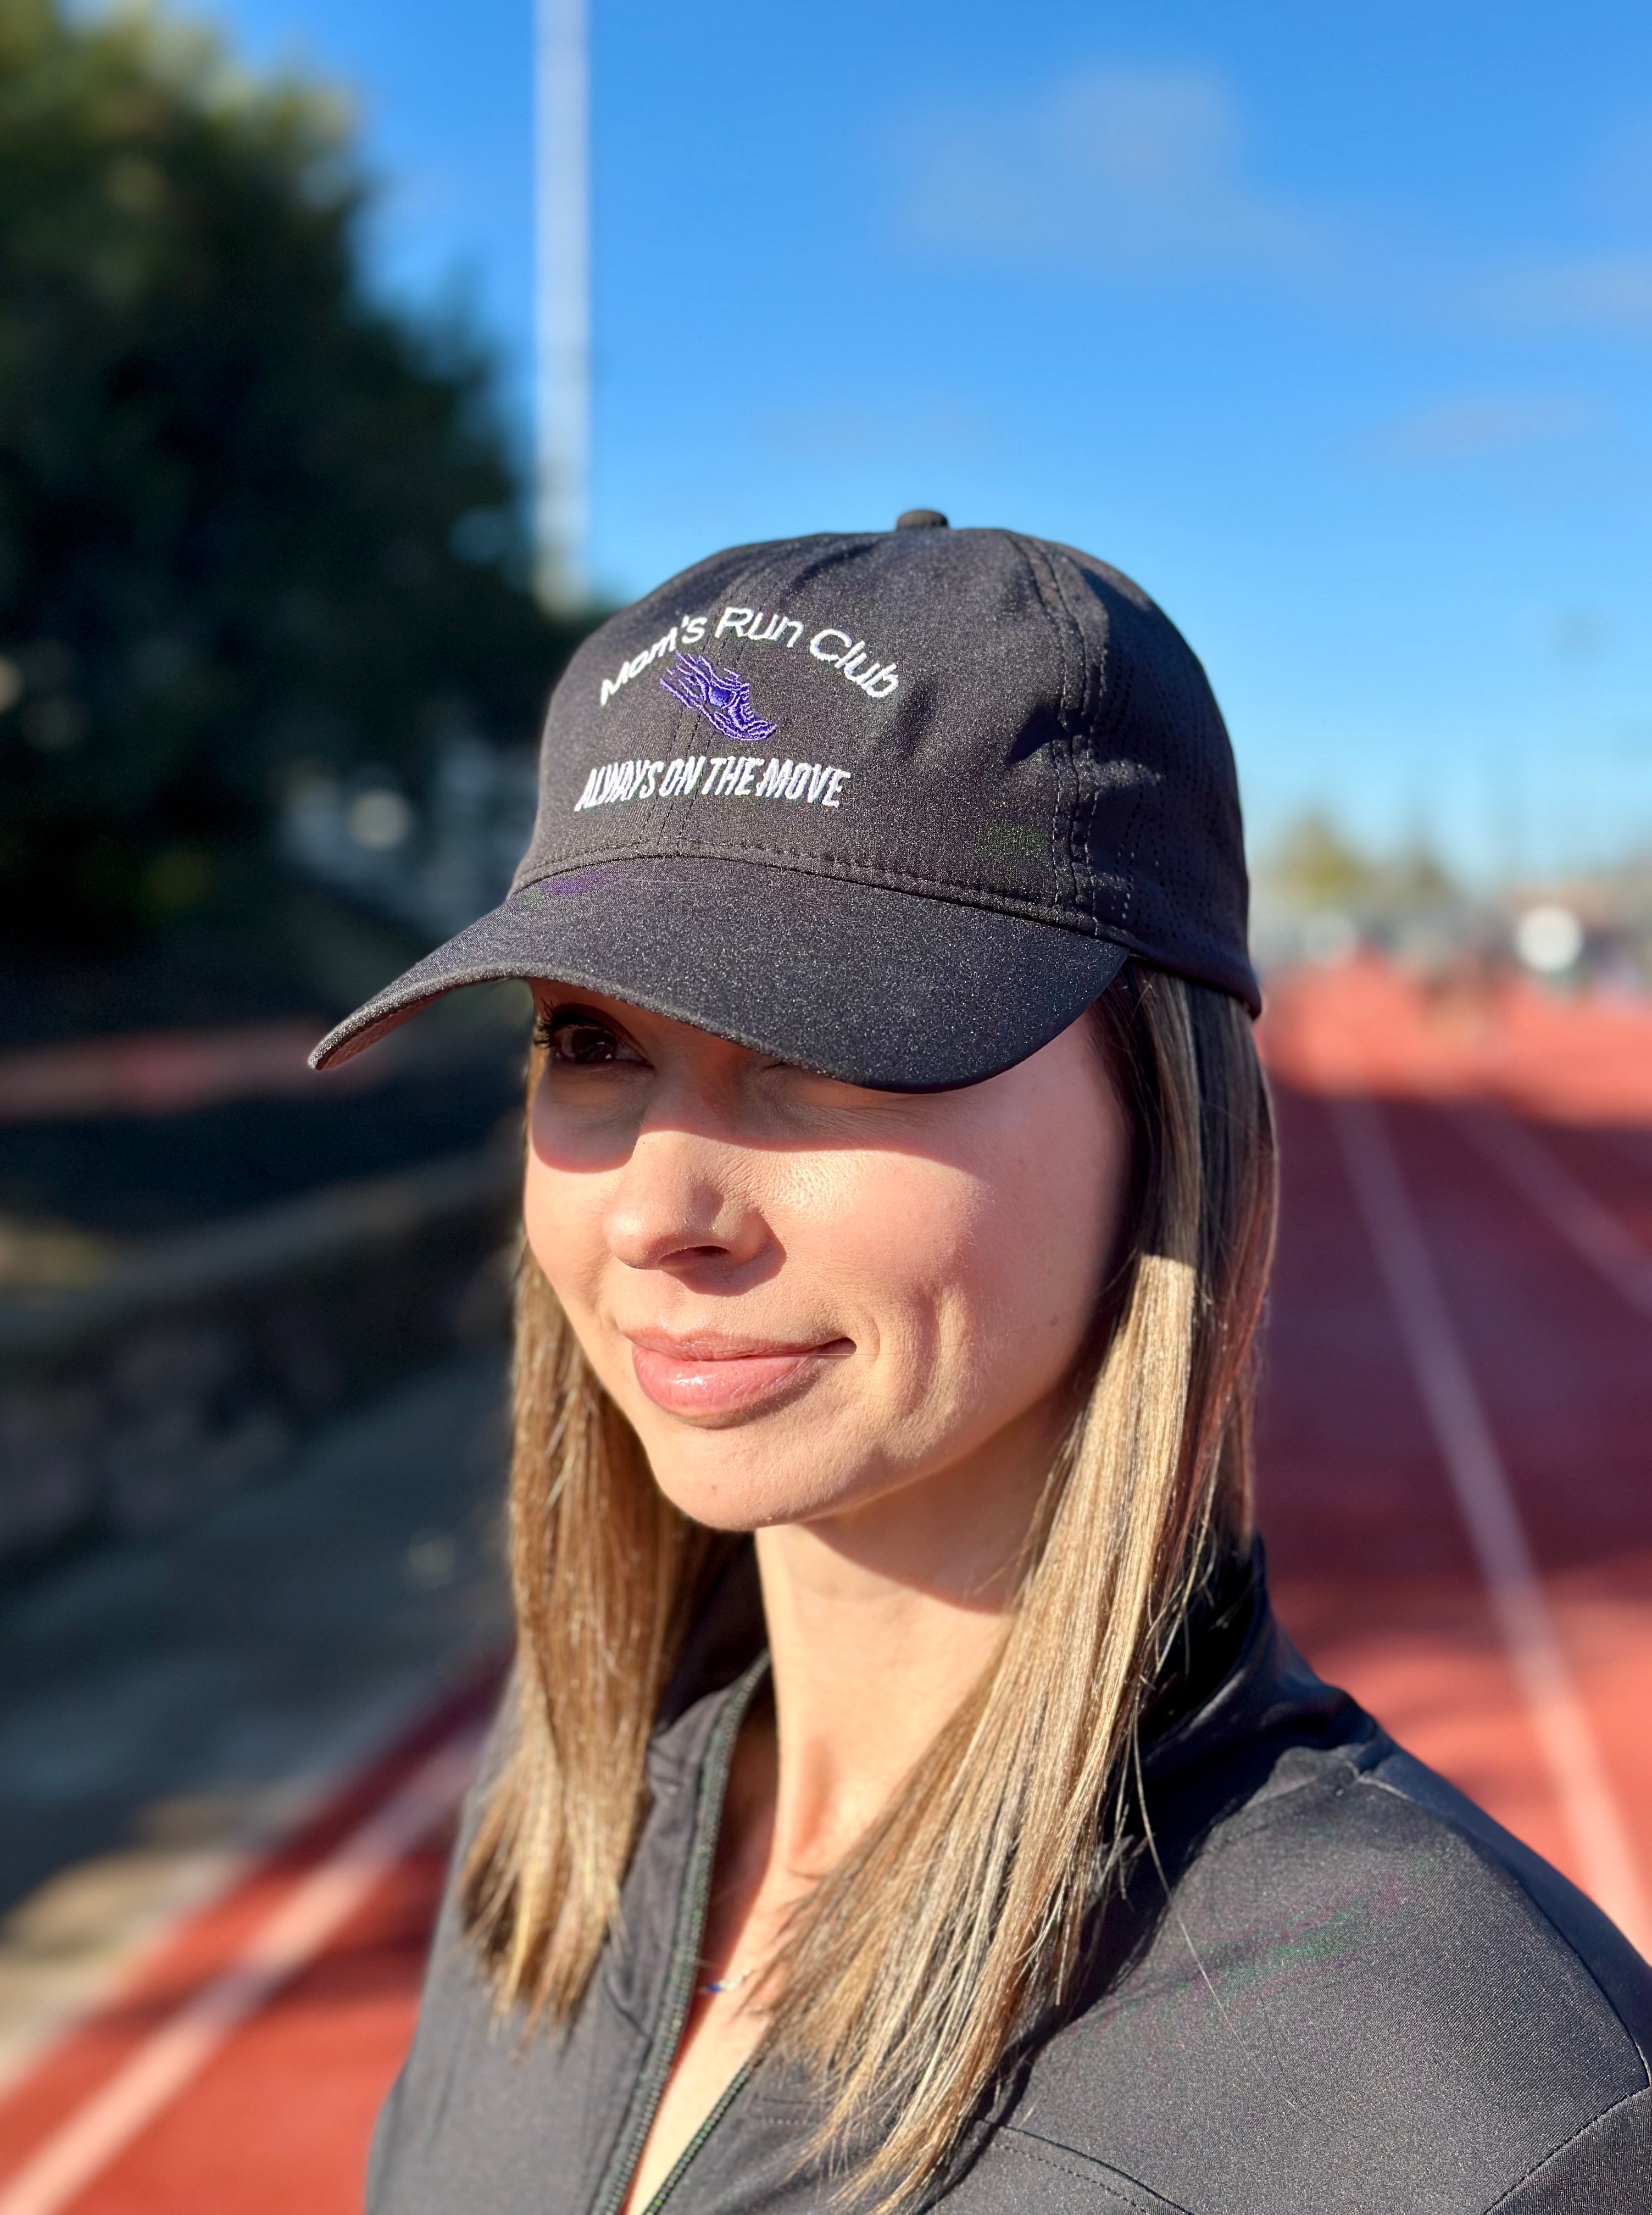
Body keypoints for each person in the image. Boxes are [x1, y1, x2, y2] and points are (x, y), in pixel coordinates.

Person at [313, 516, 1652, 2213]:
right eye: (590, 1043)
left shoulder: (1479, 2115)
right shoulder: (562, 1835)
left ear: (1163, 1122)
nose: (659, 1205)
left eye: (826, 1048)